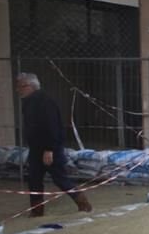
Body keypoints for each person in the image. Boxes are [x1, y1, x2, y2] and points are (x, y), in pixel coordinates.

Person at [16, 73, 92, 217]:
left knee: (60, 178)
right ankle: (37, 212)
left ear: (29, 86)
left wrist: (49, 149)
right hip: (36, 150)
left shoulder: (45, 101)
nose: (18, 90)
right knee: (34, 180)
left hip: (49, 149)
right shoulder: (28, 102)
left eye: (20, 87)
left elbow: (52, 127)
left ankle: (84, 204)